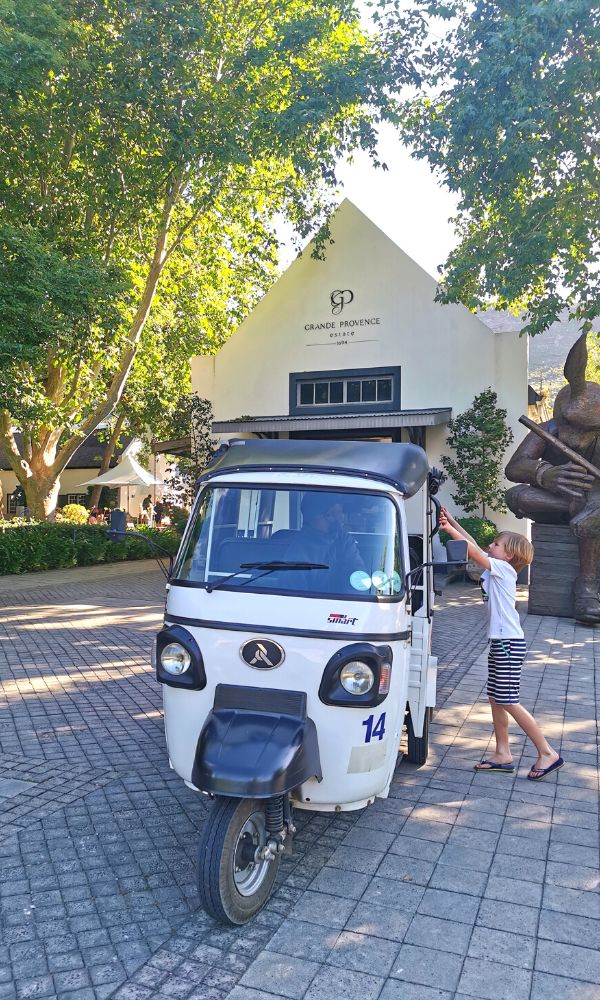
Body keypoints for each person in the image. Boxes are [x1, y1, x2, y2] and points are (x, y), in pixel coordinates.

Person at [440, 507, 564, 781]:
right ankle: (503, 754)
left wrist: (448, 531)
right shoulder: (497, 568)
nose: (490, 545)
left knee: (508, 699)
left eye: (496, 544)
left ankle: (547, 752)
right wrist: (453, 522)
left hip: (507, 644)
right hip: (500, 643)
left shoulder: (504, 570)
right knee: (496, 697)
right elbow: (473, 543)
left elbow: (471, 551)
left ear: (509, 555)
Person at [284, 492, 365, 591]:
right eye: (338, 512)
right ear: (325, 516)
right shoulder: (297, 552)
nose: (342, 517)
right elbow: (293, 596)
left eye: (341, 512)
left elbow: (359, 579)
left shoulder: (343, 539)